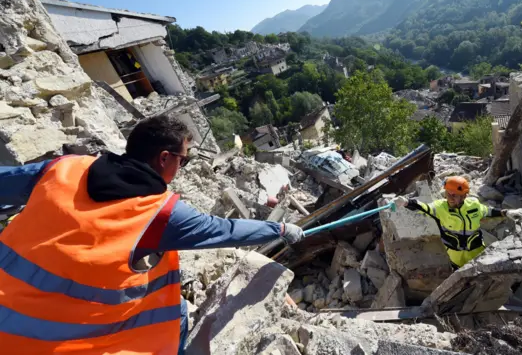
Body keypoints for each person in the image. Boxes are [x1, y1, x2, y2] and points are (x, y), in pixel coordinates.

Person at [0, 115, 304, 354]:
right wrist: (279, 228)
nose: (182, 168)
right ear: (163, 158)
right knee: (176, 311)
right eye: (182, 160)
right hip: (50, 343)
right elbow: (224, 230)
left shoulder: (65, 168)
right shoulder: (159, 215)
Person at [391, 176, 522, 270]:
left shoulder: (473, 204)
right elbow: (423, 208)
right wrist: (407, 202)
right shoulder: (440, 207)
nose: (449, 197)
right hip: (456, 259)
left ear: (464, 196)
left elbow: (487, 212)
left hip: (479, 254)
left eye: (454, 195)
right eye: (447, 193)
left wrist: (506, 213)